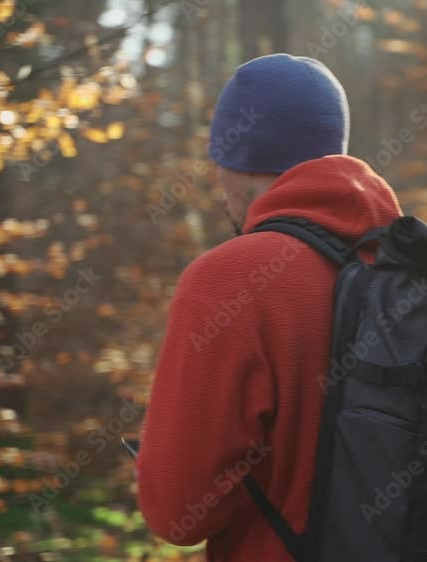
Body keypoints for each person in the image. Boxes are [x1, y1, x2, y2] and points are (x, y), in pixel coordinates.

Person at [136, 54, 402, 561]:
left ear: (238, 161)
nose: (218, 191)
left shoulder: (227, 280)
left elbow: (175, 513)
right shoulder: (415, 265)